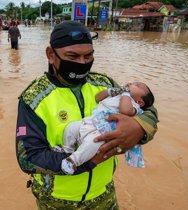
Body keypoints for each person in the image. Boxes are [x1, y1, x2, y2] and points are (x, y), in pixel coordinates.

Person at [15, 21, 158, 209]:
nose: (82, 63)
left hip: (103, 194)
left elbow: (147, 107)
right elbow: (28, 158)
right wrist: (87, 160)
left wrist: (140, 127)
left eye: (88, 56)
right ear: (51, 55)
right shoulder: (34, 98)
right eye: (72, 56)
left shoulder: (105, 83)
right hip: (56, 201)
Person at [61, 82, 155, 174]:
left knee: (92, 143)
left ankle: (73, 161)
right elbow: (97, 98)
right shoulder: (118, 95)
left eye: (137, 85)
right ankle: (67, 150)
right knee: (71, 128)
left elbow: (125, 111)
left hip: (102, 130)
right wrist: (111, 91)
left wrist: (126, 94)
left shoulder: (134, 106)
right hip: (90, 121)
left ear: (140, 102)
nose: (132, 83)